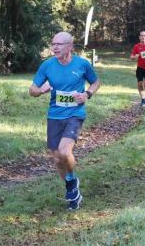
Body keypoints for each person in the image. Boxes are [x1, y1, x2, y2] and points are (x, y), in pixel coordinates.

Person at [29, 32, 100, 210]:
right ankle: (72, 184)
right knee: (57, 158)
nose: (55, 47)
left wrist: (87, 94)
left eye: (59, 44)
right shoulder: (47, 66)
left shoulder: (82, 64)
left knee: (64, 151)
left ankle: (70, 185)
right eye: (53, 44)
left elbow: (96, 82)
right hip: (54, 115)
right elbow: (32, 89)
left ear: (70, 47)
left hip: (75, 114)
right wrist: (41, 90)